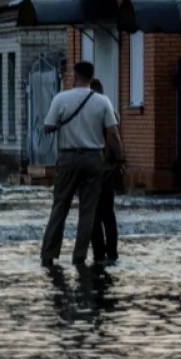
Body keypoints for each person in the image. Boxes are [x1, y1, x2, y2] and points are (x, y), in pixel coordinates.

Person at [40, 61, 124, 267]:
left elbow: (47, 127)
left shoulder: (61, 98)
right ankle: (79, 256)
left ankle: (49, 255)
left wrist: (61, 124)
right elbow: (113, 134)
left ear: (74, 76)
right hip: (94, 158)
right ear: (91, 77)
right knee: (88, 210)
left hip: (68, 158)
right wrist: (120, 159)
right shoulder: (102, 101)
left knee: (60, 206)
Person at [88, 78, 121, 264]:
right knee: (108, 213)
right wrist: (120, 159)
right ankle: (112, 253)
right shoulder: (112, 111)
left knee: (94, 214)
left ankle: (99, 254)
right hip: (108, 169)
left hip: (92, 169)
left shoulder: (90, 112)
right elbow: (115, 138)